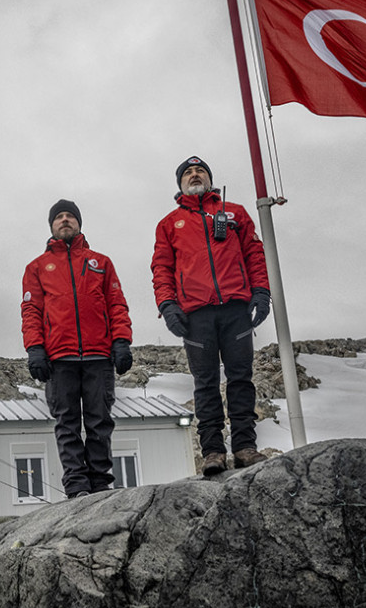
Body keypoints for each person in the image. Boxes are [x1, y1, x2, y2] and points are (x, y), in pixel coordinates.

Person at [151, 156, 272, 475]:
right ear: (180, 184)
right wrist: (167, 305)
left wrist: (261, 292)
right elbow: (161, 268)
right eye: (188, 173)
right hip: (195, 317)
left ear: (209, 178)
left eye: (200, 170)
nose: (194, 175)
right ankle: (213, 453)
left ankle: (245, 447)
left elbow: (254, 254)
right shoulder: (168, 224)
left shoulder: (236, 213)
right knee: (205, 383)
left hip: (236, 310)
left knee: (241, 379)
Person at [22, 199, 133, 498]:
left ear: (79, 223)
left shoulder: (101, 262)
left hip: (99, 356)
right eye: (59, 217)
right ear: (52, 226)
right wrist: (35, 349)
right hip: (59, 360)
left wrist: (121, 341)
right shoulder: (36, 268)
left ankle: (100, 486)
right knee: (67, 425)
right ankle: (77, 487)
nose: (65, 220)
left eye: (71, 216)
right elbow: (31, 311)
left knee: (99, 423)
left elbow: (117, 304)